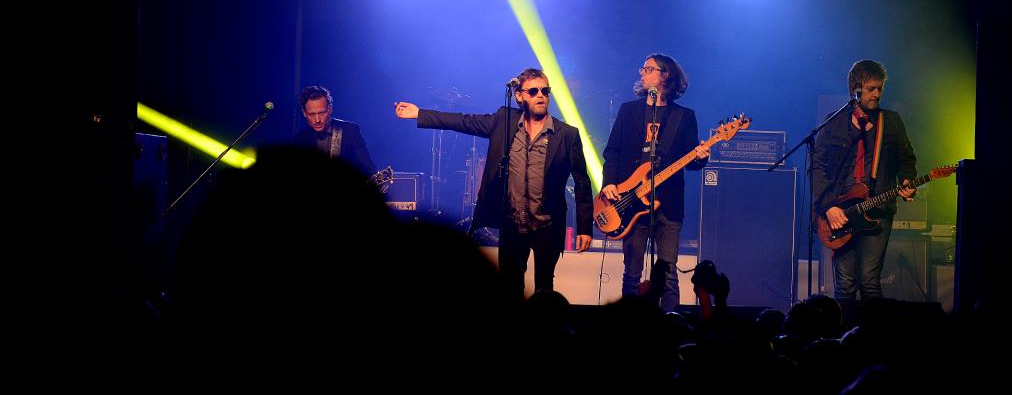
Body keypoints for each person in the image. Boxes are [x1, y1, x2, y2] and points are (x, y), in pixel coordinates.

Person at [394, 68, 593, 297]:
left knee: (544, 290)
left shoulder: (567, 134)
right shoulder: (503, 121)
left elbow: (582, 183)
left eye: (545, 91)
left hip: (547, 226)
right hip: (512, 224)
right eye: (533, 91)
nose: (541, 95)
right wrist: (420, 113)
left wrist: (584, 228)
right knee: (510, 288)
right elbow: (464, 121)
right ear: (519, 95)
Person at [601, 53, 709, 311]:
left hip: (668, 204)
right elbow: (613, 150)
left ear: (665, 75)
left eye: (648, 69)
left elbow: (690, 161)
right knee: (632, 273)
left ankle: (671, 323)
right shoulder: (629, 110)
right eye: (643, 69)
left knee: (668, 273)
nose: (642, 73)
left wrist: (701, 158)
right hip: (631, 202)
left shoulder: (684, 116)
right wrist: (609, 182)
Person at [812, 60, 917, 310]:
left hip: (877, 210)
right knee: (846, 284)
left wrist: (906, 179)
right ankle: (843, 331)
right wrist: (828, 207)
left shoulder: (891, 122)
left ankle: (871, 333)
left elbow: (907, 158)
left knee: (870, 282)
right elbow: (816, 167)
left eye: (880, 88)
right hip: (841, 212)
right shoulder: (834, 122)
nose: (877, 94)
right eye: (871, 89)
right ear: (856, 90)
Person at [293, 85, 376, 177]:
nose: (317, 120)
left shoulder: (349, 132)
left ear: (330, 109)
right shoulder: (300, 139)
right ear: (304, 113)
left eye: (321, 113)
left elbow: (369, 170)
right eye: (312, 114)